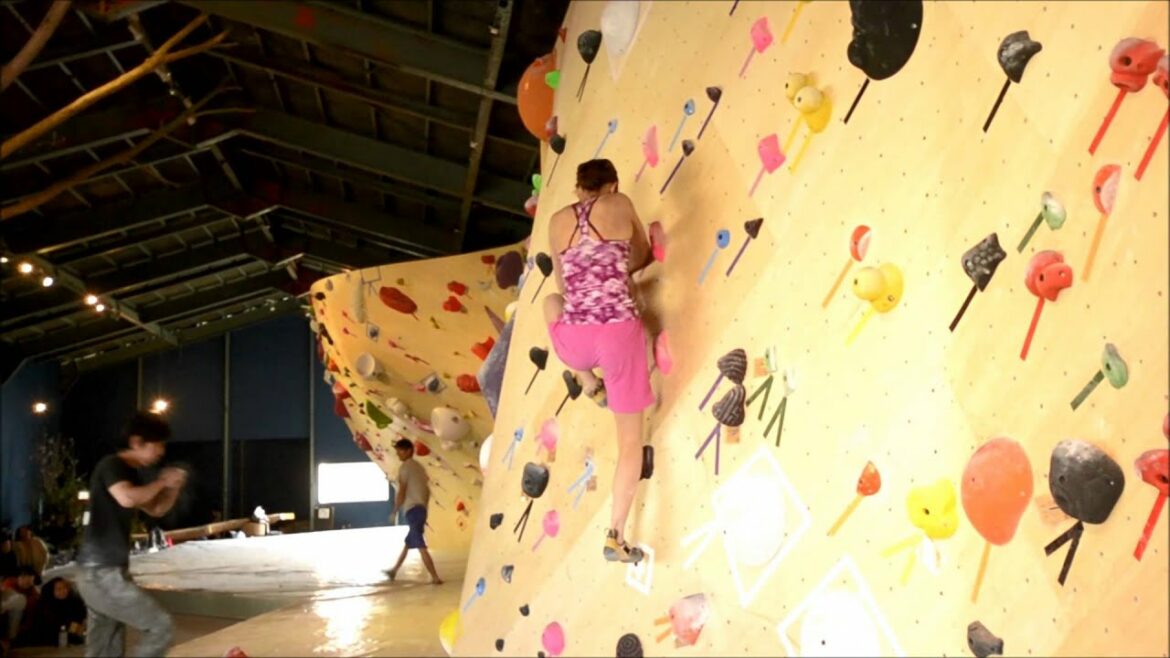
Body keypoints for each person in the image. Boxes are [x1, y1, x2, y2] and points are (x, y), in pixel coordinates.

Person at [543, 159, 654, 564]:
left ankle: (587, 381)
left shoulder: (556, 221)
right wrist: (619, 269)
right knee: (629, 444)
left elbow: (562, 287)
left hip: (574, 342)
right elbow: (640, 253)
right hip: (618, 339)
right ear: (612, 185)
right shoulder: (620, 203)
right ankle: (615, 536)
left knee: (550, 303)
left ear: (577, 190)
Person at [74, 411, 187, 658]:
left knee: (105, 648)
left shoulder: (131, 474)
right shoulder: (111, 465)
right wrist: (161, 483)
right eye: (158, 444)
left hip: (104, 571)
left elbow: (156, 509)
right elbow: (126, 498)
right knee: (160, 626)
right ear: (137, 442)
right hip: (100, 572)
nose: (161, 452)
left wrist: (173, 489)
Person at [384, 439, 442, 585]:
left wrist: (395, 510)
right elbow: (426, 491)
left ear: (409, 450)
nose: (398, 455)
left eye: (400, 451)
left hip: (413, 510)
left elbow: (402, 490)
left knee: (421, 545)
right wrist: (424, 510)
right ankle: (394, 571)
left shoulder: (405, 468)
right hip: (420, 509)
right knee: (409, 543)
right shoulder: (420, 468)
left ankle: (435, 576)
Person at [28, 577, 87, 647]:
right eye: (59, 589)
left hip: (72, 638)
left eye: (65, 588)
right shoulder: (45, 605)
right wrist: (82, 631)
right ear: (50, 591)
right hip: (48, 642)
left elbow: (81, 617)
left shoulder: (73, 601)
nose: (63, 591)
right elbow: (61, 623)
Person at [0, 567, 38, 656]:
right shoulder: (9, 585)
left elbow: (30, 617)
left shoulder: (33, 594)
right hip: (6, 625)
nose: (26, 581)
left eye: (30, 579)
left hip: (15, 629)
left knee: (20, 600)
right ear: (17, 578)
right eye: (23, 578)